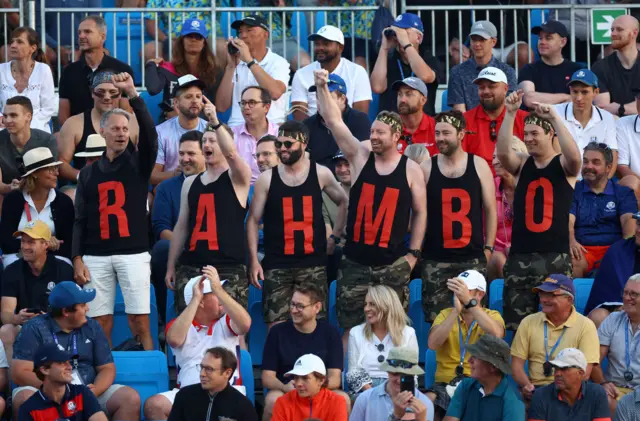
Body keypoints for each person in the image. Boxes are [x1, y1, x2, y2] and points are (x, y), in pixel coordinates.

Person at [315, 68, 427, 348]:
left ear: (397, 136)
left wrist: (413, 256)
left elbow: (422, 212)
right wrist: (321, 87)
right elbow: (333, 120)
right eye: (372, 131)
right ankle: (349, 385)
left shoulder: (411, 169)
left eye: (380, 132)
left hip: (392, 263)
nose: (373, 136)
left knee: (394, 328)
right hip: (355, 262)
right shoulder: (359, 157)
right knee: (350, 328)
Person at [72, 72, 157, 350]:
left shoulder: (139, 164)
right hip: (96, 255)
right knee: (99, 322)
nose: (121, 133)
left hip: (133, 251)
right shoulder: (88, 174)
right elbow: (80, 219)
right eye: (116, 129)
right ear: (102, 133)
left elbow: (150, 137)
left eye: (125, 129)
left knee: (139, 320)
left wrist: (133, 95)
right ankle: (104, 372)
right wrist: (76, 257)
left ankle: (148, 366)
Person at [247, 120, 348, 328]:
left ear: (303, 144)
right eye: (279, 144)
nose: (282, 149)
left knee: (313, 325)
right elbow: (253, 221)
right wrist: (254, 259)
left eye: (288, 144)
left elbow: (344, 201)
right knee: (276, 325)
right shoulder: (266, 179)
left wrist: (335, 236)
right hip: (277, 263)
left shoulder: (320, 173)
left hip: (313, 263)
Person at [496, 90, 581, 331]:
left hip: (554, 257)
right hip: (520, 257)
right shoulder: (523, 164)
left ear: (550, 134)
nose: (529, 138)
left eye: (535, 133)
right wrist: (510, 114)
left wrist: (555, 117)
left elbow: (575, 157)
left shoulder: (564, 165)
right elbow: (503, 154)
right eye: (526, 134)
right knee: (518, 326)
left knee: (556, 324)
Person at [166, 98, 251, 314]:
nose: (207, 145)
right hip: (192, 264)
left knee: (233, 328)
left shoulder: (238, 178)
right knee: (188, 325)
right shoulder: (190, 182)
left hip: (229, 266)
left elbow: (232, 154)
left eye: (213, 140)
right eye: (205, 141)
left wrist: (215, 121)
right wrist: (171, 265)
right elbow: (182, 227)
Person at [11, 281, 141, 420]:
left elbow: (107, 368)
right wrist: (59, 389)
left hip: (87, 391)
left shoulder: (92, 326)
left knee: (129, 398)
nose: (88, 309)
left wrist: (93, 390)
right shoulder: (34, 328)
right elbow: (19, 372)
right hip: (47, 390)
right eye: (83, 305)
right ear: (66, 311)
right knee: (24, 397)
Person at [143, 267, 251, 420]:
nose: (222, 296)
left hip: (227, 392)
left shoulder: (227, 321)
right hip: (188, 395)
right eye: (214, 293)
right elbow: (174, 339)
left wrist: (218, 291)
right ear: (200, 301)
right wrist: (195, 299)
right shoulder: (179, 324)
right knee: (154, 405)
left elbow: (245, 324)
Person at [420, 111, 497, 323]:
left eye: (446, 132)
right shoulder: (427, 167)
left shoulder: (479, 165)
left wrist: (488, 249)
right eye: (437, 133)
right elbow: (419, 213)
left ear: (461, 134)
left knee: (475, 320)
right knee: (437, 322)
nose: (440, 138)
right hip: (435, 259)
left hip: (471, 258)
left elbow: (491, 209)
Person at [261, 284, 345, 421]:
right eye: (292, 305)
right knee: (272, 399)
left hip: (320, 389)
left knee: (343, 399)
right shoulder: (277, 332)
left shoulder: (330, 333)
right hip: (287, 389)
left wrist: (313, 388)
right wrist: (284, 387)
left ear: (317, 307)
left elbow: (335, 378)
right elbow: (267, 377)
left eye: (300, 306)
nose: (294, 310)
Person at [510, 275, 600, 401]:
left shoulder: (585, 326)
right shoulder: (528, 322)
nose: (543, 300)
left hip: (568, 392)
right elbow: (516, 366)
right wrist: (526, 385)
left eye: (551, 295)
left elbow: (584, 373)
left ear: (569, 299)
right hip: (535, 391)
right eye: (541, 294)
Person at [0, 220, 74, 364]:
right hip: (26, 326)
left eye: (31, 242)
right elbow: (5, 314)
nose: (25, 247)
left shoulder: (63, 269)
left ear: (46, 244)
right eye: (23, 242)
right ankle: (14, 382)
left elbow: (72, 311)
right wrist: (17, 318)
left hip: (56, 325)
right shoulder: (12, 270)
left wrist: (48, 318)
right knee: (6, 330)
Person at [151, 130, 205, 322]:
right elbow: (161, 228)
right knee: (161, 249)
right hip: (179, 247)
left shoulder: (218, 184)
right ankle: (164, 319)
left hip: (213, 249)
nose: (185, 159)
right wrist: (187, 245)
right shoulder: (166, 187)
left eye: (191, 154)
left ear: (205, 153)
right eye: (181, 154)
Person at [427, 270, 504, 405]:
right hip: (446, 382)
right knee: (428, 401)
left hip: (480, 382)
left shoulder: (492, 315)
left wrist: (470, 303)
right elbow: (432, 344)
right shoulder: (445, 315)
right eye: (457, 290)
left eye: (464, 291)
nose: (459, 295)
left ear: (480, 294)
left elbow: (497, 334)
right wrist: (455, 312)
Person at [58, 71, 140, 182]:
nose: (107, 97)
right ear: (92, 93)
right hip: (85, 187)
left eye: (112, 92)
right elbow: (62, 163)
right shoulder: (74, 124)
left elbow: (145, 158)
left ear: (120, 94)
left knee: (147, 199)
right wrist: (83, 177)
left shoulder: (134, 123)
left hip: (124, 186)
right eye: (101, 92)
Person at [570, 143, 637, 278]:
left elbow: (629, 227)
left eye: (596, 162)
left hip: (613, 249)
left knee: (621, 262)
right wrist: (571, 240)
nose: (589, 166)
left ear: (608, 167)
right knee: (573, 262)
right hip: (582, 250)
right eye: (586, 161)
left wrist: (619, 254)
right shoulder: (574, 191)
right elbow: (568, 221)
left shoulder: (623, 193)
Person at [0, 147, 73, 267]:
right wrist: (40, 244)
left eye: (55, 169)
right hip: (19, 256)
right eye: (50, 170)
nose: (57, 173)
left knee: (63, 267)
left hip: (53, 256)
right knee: (14, 269)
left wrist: (44, 248)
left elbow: (69, 244)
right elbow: (6, 242)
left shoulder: (64, 202)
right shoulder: (12, 200)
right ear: (34, 173)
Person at [57, 16, 134, 126]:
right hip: (78, 136)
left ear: (102, 37)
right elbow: (63, 114)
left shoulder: (122, 70)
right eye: (79, 33)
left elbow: (126, 112)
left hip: (111, 135)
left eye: (87, 32)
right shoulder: (69, 72)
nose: (81, 36)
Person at [216, 15, 290, 126]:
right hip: (238, 125)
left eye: (250, 30)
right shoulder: (235, 63)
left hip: (271, 125)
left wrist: (250, 62)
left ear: (266, 35)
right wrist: (231, 67)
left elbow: (275, 93)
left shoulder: (278, 62)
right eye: (240, 32)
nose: (243, 36)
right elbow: (221, 107)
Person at [144, 18, 222, 120]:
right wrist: (150, 65)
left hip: (202, 126)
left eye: (198, 37)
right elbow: (153, 89)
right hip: (170, 123)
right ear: (182, 41)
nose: (193, 39)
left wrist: (184, 115)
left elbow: (217, 106)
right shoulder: (168, 68)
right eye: (189, 36)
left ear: (204, 43)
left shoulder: (213, 72)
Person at [291, 25, 371, 121]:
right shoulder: (301, 74)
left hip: (348, 131)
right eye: (317, 44)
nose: (320, 48)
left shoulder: (357, 71)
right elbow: (299, 114)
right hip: (313, 132)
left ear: (340, 48)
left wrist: (340, 132)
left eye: (326, 44)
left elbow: (361, 115)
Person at [370, 13, 441, 117]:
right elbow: (377, 87)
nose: (399, 38)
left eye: (405, 33)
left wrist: (406, 44)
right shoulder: (387, 59)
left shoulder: (429, 59)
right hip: (392, 124)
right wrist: (384, 48)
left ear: (419, 38)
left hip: (421, 125)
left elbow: (426, 76)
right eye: (397, 34)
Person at [347, 285, 418, 386]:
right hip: (366, 389)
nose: (366, 309)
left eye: (372, 304)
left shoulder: (408, 333)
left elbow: (410, 373)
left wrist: (395, 394)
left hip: (396, 387)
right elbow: (353, 372)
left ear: (387, 306)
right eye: (365, 304)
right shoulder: (356, 332)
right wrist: (372, 394)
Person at [442, 335, 524, 421]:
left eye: (475, 357)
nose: (469, 361)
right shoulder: (465, 385)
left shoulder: (512, 400)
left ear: (493, 367)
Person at [18, 343, 108, 421]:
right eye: (61, 363)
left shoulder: (82, 393)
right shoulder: (28, 409)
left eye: (69, 362)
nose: (69, 367)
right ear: (45, 370)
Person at [462, 67, 527, 172]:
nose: (486, 91)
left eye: (492, 86)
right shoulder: (465, 120)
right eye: (481, 87)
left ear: (505, 89)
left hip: (515, 180)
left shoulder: (524, 119)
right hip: (477, 181)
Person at [591, 276, 640, 415]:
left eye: (634, 294)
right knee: (603, 399)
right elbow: (594, 361)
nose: (627, 298)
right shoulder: (613, 320)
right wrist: (603, 383)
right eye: (625, 292)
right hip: (615, 389)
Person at [167, 346, 258, 421]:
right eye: (202, 367)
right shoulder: (184, 396)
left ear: (227, 373)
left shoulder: (243, 406)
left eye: (209, 369)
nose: (202, 374)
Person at [554, 69, 618, 175]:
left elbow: (613, 156)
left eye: (584, 92)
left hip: (595, 182)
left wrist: (603, 186)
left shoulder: (607, 118)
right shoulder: (555, 112)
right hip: (563, 179)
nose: (579, 98)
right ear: (570, 90)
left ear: (596, 92)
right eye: (575, 92)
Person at [447, 21, 517, 112]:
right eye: (474, 39)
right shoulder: (457, 72)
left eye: (482, 39)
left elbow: (508, 108)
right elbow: (460, 112)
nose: (477, 44)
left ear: (493, 42)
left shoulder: (508, 71)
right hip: (468, 125)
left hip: (500, 124)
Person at [303, 74, 371, 169]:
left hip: (351, 178)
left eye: (326, 97)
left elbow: (366, 159)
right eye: (318, 96)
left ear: (342, 99)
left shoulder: (359, 119)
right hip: (319, 180)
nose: (320, 102)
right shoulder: (307, 125)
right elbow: (303, 164)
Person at [151, 75, 208, 185]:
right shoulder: (160, 132)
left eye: (198, 96)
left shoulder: (211, 130)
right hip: (173, 186)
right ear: (176, 103)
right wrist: (175, 174)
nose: (195, 101)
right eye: (188, 97)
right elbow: (153, 176)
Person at [350, 347, 434, 421]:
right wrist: (396, 416)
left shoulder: (424, 404)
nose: (399, 380)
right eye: (395, 374)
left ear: (413, 375)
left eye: (405, 376)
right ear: (388, 372)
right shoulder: (365, 399)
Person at [528, 348, 611, 421]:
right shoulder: (540, 395)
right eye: (556, 368)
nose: (557, 374)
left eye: (564, 368)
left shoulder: (597, 394)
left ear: (580, 373)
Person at [486, 138, 528, 282]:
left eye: (500, 157)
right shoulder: (489, 187)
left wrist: (517, 247)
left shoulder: (531, 186)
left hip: (527, 248)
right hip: (495, 251)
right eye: (493, 157)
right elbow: (483, 230)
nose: (495, 162)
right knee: (499, 260)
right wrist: (503, 247)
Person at [585, 219, 640, 327]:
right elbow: (605, 293)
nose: (638, 230)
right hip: (621, 310)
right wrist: (621, 306)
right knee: (598, 316)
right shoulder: (618, 250)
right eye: (639, 224)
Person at [0, 96, 57, 200]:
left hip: (40, 193)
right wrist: (11, 188)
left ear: (28, 116)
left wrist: (26, 186)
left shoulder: (47, 140)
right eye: (5, 115)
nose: (7, 120)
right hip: (6, 195)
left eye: (13, 115)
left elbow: (50, 178)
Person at [0, 27, 55, 133]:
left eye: (19, 42)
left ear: (32, 48)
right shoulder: (1, 70)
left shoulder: (43, 70)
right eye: (12, 42)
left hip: (37, 127)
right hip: (5, 126)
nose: (13, 45)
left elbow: (48, 109)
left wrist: (22, 125)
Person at [518, 20, 583, 109]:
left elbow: (580, 100)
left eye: (548, 38)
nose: (542, 42)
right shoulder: (528, 69)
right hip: (536, 121)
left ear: (563, 42)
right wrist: (566, 97)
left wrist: (544, 100)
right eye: (540, 38)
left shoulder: (576, 70)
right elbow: (530, 99)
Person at [271, 354, 348, 421]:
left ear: (321, 380)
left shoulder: (337, 402)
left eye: (305, 378)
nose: (298, 383)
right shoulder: (282, 402)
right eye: (296, 377)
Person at [592, 15, 640, 118]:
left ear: (634, 33)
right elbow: (603, 109)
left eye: (619, 29)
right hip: (615, 128)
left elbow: (611, 108)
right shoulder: (600, 67)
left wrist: (620, 108)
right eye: (612, 29)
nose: (613, 34)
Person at [231, 85, 279, 184]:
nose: (246, 107)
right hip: (240, 190)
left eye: (252, 103)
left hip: (274, 187)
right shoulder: (231, 135)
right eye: (243, 103)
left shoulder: (280, 134)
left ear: (266, 107)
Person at [392, 77, 436, 156]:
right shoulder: (389, 128)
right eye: (399, 94)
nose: (402, 100)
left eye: (409, 94)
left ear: (423, 100)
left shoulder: (436, 128)